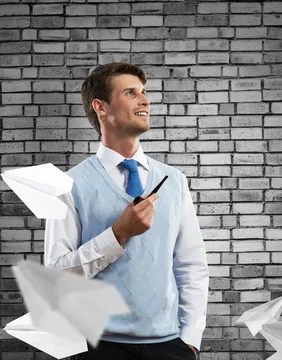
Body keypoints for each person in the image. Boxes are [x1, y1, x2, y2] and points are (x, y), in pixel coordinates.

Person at [44, 62, 209, 360]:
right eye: (131, 93)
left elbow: (191, 265)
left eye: (144, 93)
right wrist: (118, 234)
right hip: (97, 347)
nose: (145, 100)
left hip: (170, 347)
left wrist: (191, 339)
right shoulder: (68, 185)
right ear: (101, 107)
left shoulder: (175, 181)